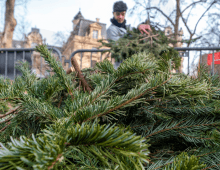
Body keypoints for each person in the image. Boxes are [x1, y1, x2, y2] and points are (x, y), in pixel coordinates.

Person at [107, 1, 151, 68]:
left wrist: (139, 27)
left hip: (134, 65)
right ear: (113, 14)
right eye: (118, 14)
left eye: (123, 14)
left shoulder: (128, 28)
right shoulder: (111, 30)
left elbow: (136, 34)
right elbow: (120, 46)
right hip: (121, 67)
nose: (120, 17)